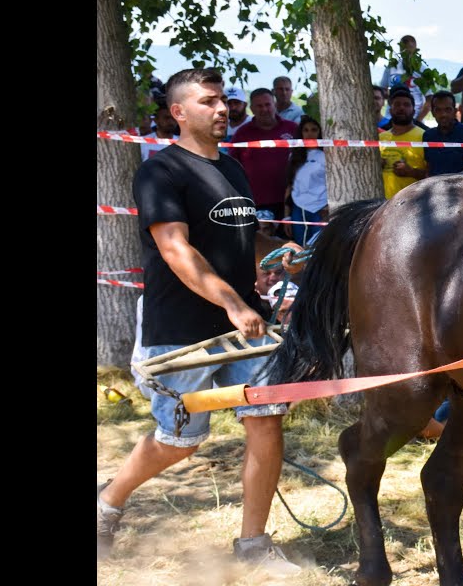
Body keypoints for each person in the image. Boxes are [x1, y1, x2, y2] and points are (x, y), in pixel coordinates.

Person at [99, 67, 305, 574]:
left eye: (223, 101)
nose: (221, 109)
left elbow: (244, 234)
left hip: (246, 330)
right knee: (180, 442)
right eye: (209, 101)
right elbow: (175, 247)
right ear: (178, 112)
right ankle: (106, 504)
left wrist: (281, 253)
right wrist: (231, 302)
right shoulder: (160, 171)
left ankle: (253, 546)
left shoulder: (233, 169)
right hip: (182, 331)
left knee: (266, 419)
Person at [231, 88, 299, 221]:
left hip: (290, 202)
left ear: (274, 104)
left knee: (290, 241)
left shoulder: (292, 129)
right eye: (259, 106)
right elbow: (232, 166)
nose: (264, 109)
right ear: (251, 108)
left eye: (267, 104)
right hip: (255, 202)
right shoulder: (241, 133)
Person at [284, 115, 328, 246]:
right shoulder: (294, 155)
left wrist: (329, 207)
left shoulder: (327, 156)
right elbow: (290, 186)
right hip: (298, 209)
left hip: (321, 209)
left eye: (314, 129)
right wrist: (286, 216)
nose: (310, 133)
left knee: (319, 248)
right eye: (306, 130)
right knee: (300, 248)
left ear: (320, 132)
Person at [378, 86, 428, 198]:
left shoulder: (424, 136)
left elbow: (433, 176)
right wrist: (377, 166)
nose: (401, 108)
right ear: (390, 110)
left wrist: (411, 172)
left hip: (412, 206)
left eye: (406, 105)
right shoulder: (380, 138)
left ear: (413, 110)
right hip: (381, 206)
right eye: (397, 104)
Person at [421, 90, 463, 175]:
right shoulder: (428, 136)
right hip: (434, 186)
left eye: (448, 109)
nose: (443, 114)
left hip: (462, 187)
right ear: (432, 113)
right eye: (438, 110)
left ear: (455, 111)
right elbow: (428, 169)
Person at [379, 34, 425, 108]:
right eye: (403, 48)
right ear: (400, 49)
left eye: (410, 48)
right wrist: (394, 96)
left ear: (415, 49)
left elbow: (429, 98)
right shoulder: (391, 67)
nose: (406, 51)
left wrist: (419, 119)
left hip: (415, 113)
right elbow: (383, 89)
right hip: (392, 114)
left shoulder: (422, 70)